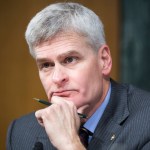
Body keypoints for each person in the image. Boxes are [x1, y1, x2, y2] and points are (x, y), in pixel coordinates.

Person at [7, 2, 150, 150]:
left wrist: (70, 143)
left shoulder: (146, 123)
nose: (57, 78)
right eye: (46, 65)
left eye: (70, 59)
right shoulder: (21, 131)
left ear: (104, 60)